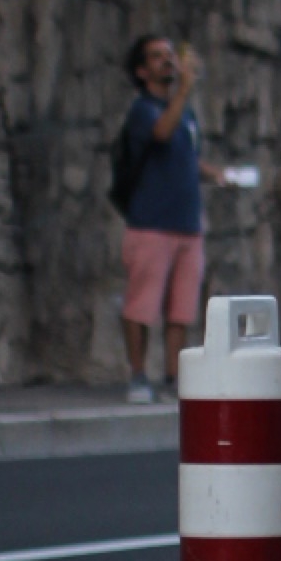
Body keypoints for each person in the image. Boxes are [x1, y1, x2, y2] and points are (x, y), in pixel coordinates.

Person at [117, 34, 228, 396]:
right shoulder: (144, 110)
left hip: (186, 226)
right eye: (156, 57)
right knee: (141, 306)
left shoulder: (187, 115)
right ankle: (137, 376)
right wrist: (183, 89)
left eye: (169, 55)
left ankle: (172, 379)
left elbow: (184, 156)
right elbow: (161, 134)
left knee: (180, 311)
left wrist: (214, 173)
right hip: (151, 225)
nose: (167, 62)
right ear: (142, 70)